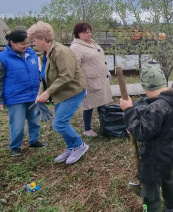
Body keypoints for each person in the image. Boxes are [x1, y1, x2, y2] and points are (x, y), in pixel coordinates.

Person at [121, 65, 173, 212]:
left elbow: (141, 133)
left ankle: (150, 209)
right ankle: (171, 207)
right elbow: (157, 125)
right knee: (168, 180)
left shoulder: (157, 108)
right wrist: (135, 124)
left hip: (154, 158)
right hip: (170, 152)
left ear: (145, 88)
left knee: (150, 194)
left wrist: (129, 111)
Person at [27, 21, 89, 165]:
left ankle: (79, 145)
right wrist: (41, 94)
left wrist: (47, 93)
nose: (33, 43)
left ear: (43, 39)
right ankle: (71, 147)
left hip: (73, 91)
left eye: (34, 40)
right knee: (61, 122)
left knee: (59, 123)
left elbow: (66, 76)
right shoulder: (46, 54)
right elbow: (45, 76)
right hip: (60, 93)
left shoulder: (61, 52)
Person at [0, 30, 47, 156]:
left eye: (28, 43)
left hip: (31, 94)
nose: (26, 46)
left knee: (34, 120)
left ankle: (34, 140)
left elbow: (36, 72)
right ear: (12, 43)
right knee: (17, 124)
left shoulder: (31, 54)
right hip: (15, 97)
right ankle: (15, 146)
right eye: (22, 44)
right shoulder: (3, 58)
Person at [70, 22, 113, 137]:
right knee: (89, 104)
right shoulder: (76, 47)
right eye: (86, 32)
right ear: (79, 34)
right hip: (89, 80)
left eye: (90, 31)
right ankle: (87, 129)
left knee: (102, 101)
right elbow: (74, 66)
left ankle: (103, 123)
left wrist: (106, 71)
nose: (89, 34)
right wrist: (80, 80)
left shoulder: (91, 42)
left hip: (101, 78)